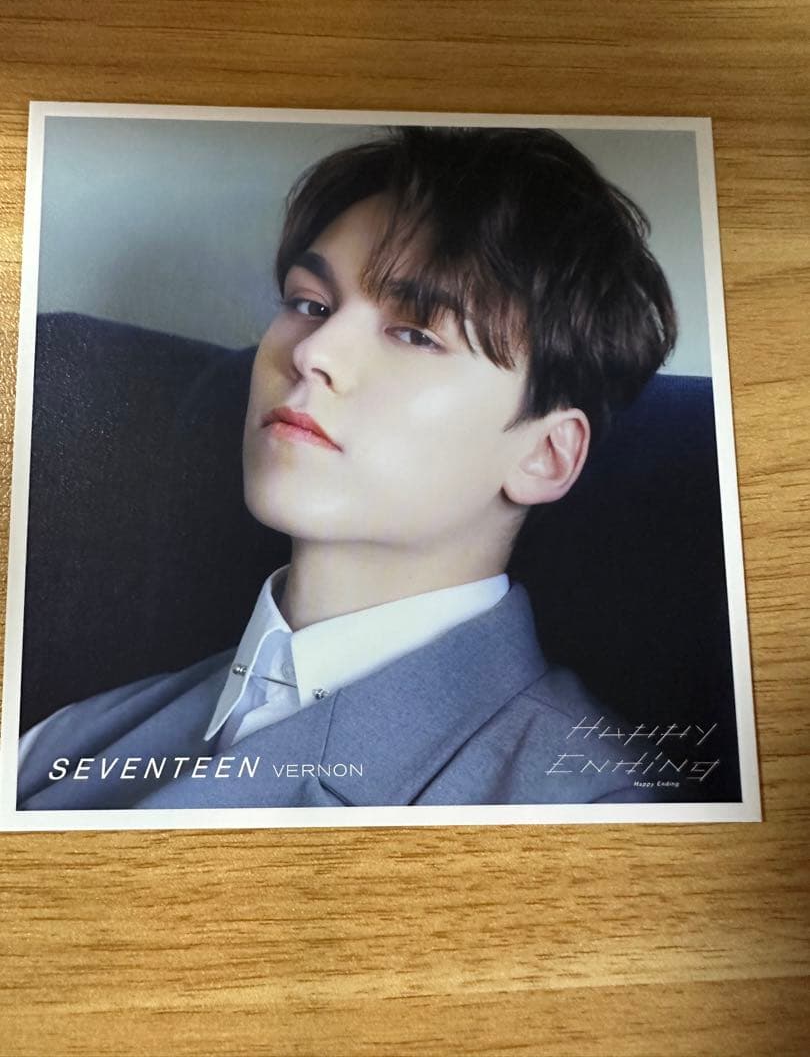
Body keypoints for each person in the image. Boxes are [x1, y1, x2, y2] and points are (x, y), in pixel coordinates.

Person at [17, 125, 678, 810]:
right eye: (310, 305)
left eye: (415, 333)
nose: (312, 354)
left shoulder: (596, 810)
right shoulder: (61, 745)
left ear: (545, 454)